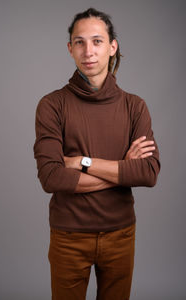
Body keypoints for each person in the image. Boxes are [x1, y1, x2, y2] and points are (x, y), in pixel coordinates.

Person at [33, 7, 160, 300]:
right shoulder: (52, 105)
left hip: (121, 234)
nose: (88, 50)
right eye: (79, 42)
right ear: (70, 49)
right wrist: (123, 169)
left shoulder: (135, 106)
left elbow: (149, 173)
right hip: (68, 235)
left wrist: (82, 162)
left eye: (97, 41)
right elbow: (51, 177)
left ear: (112, 47)